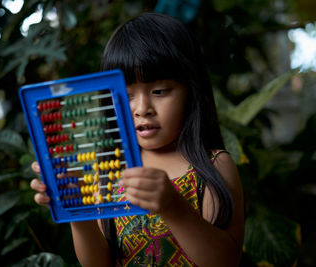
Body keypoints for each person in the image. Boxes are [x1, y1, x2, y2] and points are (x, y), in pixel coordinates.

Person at [30, 12, 244, 267]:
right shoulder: (110, 173)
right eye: (127, 94)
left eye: (159, 91)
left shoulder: (212, 165)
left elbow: (225, 262)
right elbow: (98, 263)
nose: (142, 108)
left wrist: (173, 207)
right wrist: (79, 211)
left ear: (191, 91)